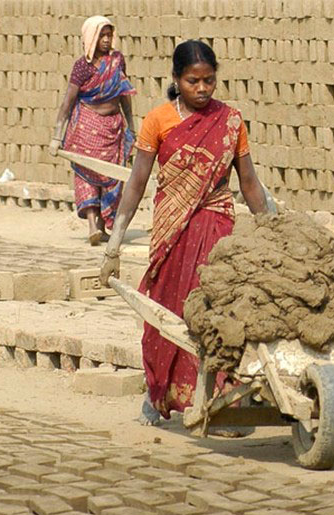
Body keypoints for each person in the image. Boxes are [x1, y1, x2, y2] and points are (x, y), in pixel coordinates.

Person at [100, 40, 270, 425]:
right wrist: (115, 242)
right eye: (194, 81)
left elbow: (249, 183)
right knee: (165, 311)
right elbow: (137, 181)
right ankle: (158, 392)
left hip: (216, 225)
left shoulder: (230, 121)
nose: (203, 89)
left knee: (216, 311)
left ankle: (220, 398)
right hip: (171, 231)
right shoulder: (158, 121)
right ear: (177, 79)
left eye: (210, 80)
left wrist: (273, 229)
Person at [49, 15, 136, 246]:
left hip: (113, 127)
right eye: (101, 36)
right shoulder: (82, 67)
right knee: (87, 174)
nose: (106, 40)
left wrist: (131, 127)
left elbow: (124, 94)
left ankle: (103, 226)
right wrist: (57, 137)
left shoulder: (117, 61)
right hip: (87, 125)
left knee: (111, 177)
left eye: (109, 35)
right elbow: (68, 101)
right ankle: (91, 225)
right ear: (91, 38)